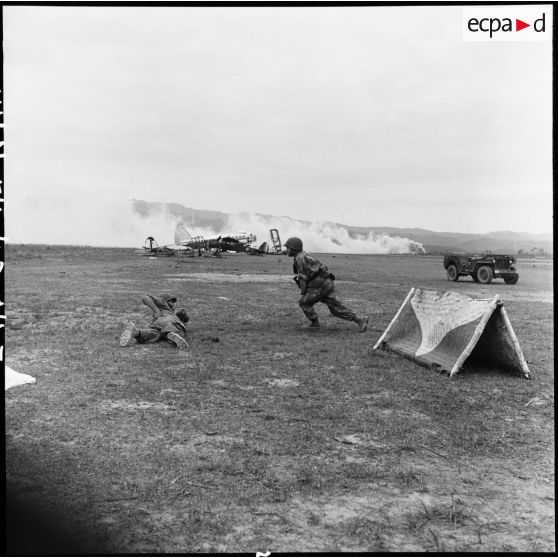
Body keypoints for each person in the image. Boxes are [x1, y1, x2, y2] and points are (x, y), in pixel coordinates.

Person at [284, 237, 369, 332]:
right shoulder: (304, 254)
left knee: (304, 303)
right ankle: (360, 320)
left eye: (287, 248)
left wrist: (304, 290)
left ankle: (315, 324)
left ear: (293, 249)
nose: (286, 250)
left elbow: (305, 277)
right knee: (335, 308)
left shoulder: (300, 259)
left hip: (318, 285)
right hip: (326, 282)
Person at [120, 293, 190, 349]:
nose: (173, 304)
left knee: (155, 334)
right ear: (164, 301)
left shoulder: (171, 311)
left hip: (157, 325)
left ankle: (136, 332)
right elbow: (145, 298)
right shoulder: (164, 305)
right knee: (174, 328)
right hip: (168, 321)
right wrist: (157, 311)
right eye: (171, 302)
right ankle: (176, 336)